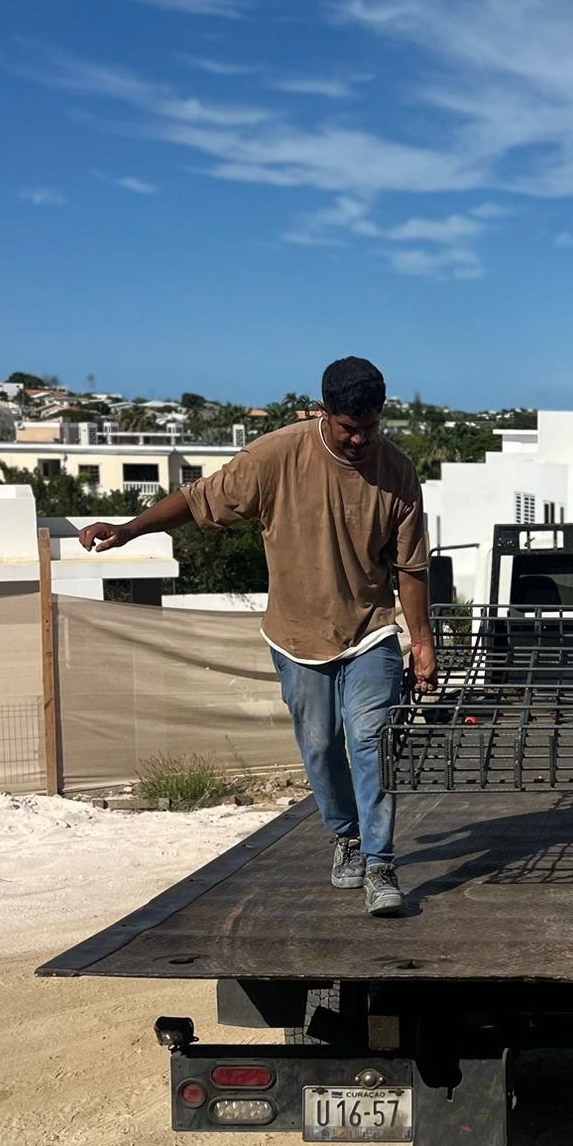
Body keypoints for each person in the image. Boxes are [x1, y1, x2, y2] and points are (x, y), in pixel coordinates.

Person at [78, 357, 436, 915]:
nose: (360, 439)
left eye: (370, 427)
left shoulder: (398, 472)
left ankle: (379, 862)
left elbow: (411, 567)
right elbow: (197, 500)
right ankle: (346, 836)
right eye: (349, 428)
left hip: (370, 632)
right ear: (324, 412)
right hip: (296, 635)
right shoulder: (275, 456)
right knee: (320, 745)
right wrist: (128, 530)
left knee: (372, 740)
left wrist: (422, 641)